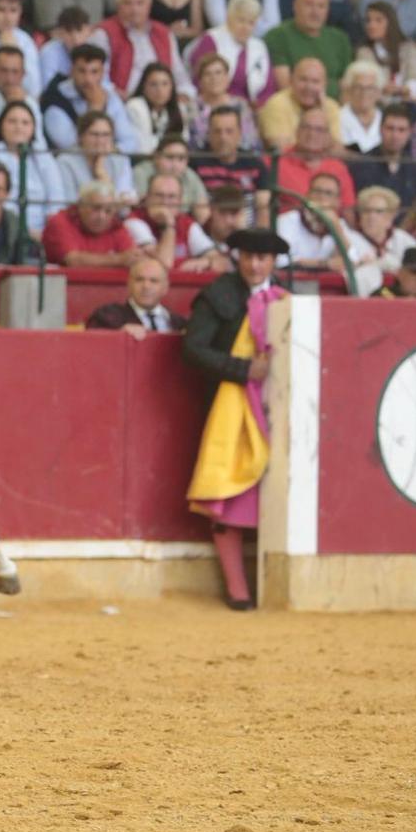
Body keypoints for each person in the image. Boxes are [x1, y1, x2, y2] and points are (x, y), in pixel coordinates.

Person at [182, 226, 289, 611]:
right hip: (229, 405)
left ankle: (270, 585)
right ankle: (238, 588)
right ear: (237, 258)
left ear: (273, 261)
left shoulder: (285, 299)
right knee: (230, 497)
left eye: (262, 258)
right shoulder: (219, 295)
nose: (255, 265)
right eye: (248, 257)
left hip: (279, 407)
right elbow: (193, 349)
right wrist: (242, 369)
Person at [86, 255, 186, 336]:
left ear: (165, 288)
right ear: (129, 284)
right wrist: (118, 335)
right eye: (139, 280)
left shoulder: (179, 323)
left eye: (154, 281)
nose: (146, 286)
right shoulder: (106, 317)